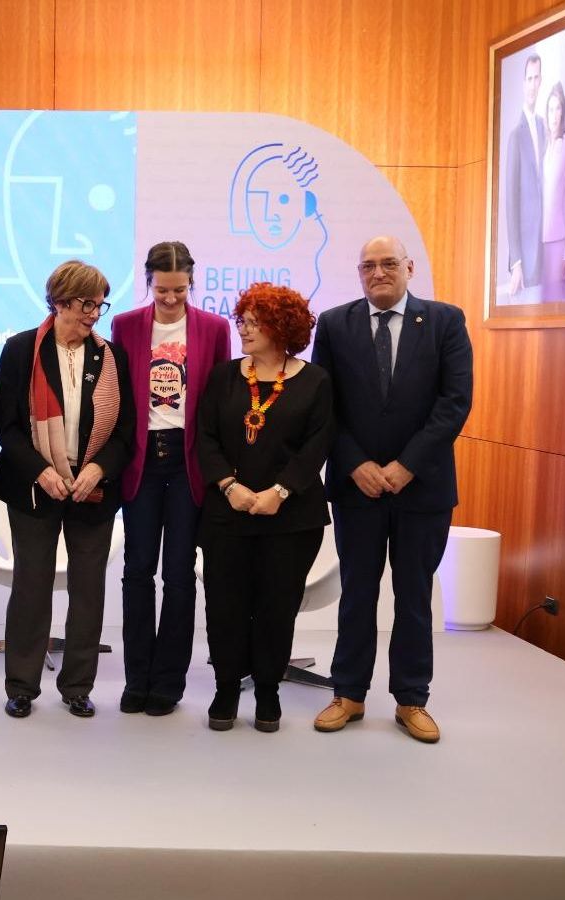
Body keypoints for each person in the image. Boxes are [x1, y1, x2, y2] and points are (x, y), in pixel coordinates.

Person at [310, 236, 473, 743]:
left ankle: (411, 698)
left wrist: (407, 466)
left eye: (387, 264)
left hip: (422, 489)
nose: (377, 273)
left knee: (414, 596)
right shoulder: (334, 324)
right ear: (359, 273)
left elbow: (455, 402)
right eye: (368, 266)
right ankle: (348, 693)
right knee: (357, 593)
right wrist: (355, 463)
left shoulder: (445, 321)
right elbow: (324, 405)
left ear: (409, 268)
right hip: (356, 487)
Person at [0, 261, 133, 720]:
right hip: (35, 487)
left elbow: (125, 432)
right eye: (85, 304)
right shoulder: (20, 350)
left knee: (88, 590)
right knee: (31, 586)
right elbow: (7, 428)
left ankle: (77, 686)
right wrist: (41, 471)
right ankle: (21, 686)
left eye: (99, 305)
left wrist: (98, 468)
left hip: (92, 489)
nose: (93, 314)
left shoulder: (111, 357)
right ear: (59, 301)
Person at [195, 283, 332, 733]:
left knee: (277, 607)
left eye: (255, 323)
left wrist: (281, 491)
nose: (244, 330)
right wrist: (229, 485)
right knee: (225, 606)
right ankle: (226, 688)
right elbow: (205, 438)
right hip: (227, 514)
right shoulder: (224, 376)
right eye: (243, 321)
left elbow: (316, 446)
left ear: (282, 327)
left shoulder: (315, 381)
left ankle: (269, 691)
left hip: (291, 519)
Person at [108, 242, 231, 715]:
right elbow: (118, 396)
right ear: (148, 281)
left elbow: (220, 401)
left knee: (179, 574)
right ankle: (136, 677)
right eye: (162, 289)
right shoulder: (126, 326)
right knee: (137, 571)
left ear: (191, 283)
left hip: (188, 463)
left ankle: (168, 682)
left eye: (180, 289)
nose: (171, 298)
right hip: (142, 460)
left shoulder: (214, 328)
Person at [505, 52, 545, 300]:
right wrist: (516, 261)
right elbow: (511, 202)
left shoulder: (544, 126)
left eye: (536, 78)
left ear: (541, 81)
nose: (532, 84)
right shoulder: (515, 136)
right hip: (526, 257)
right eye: (529, 79)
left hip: (545, 247)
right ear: (523, 83)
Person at [542, 82, 565, 300]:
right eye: (551, 109)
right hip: (542, 243)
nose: (554, 115)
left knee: (556, 302)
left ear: (563, 112)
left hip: (559, 241)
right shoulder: (545, 147)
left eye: (558, 108)